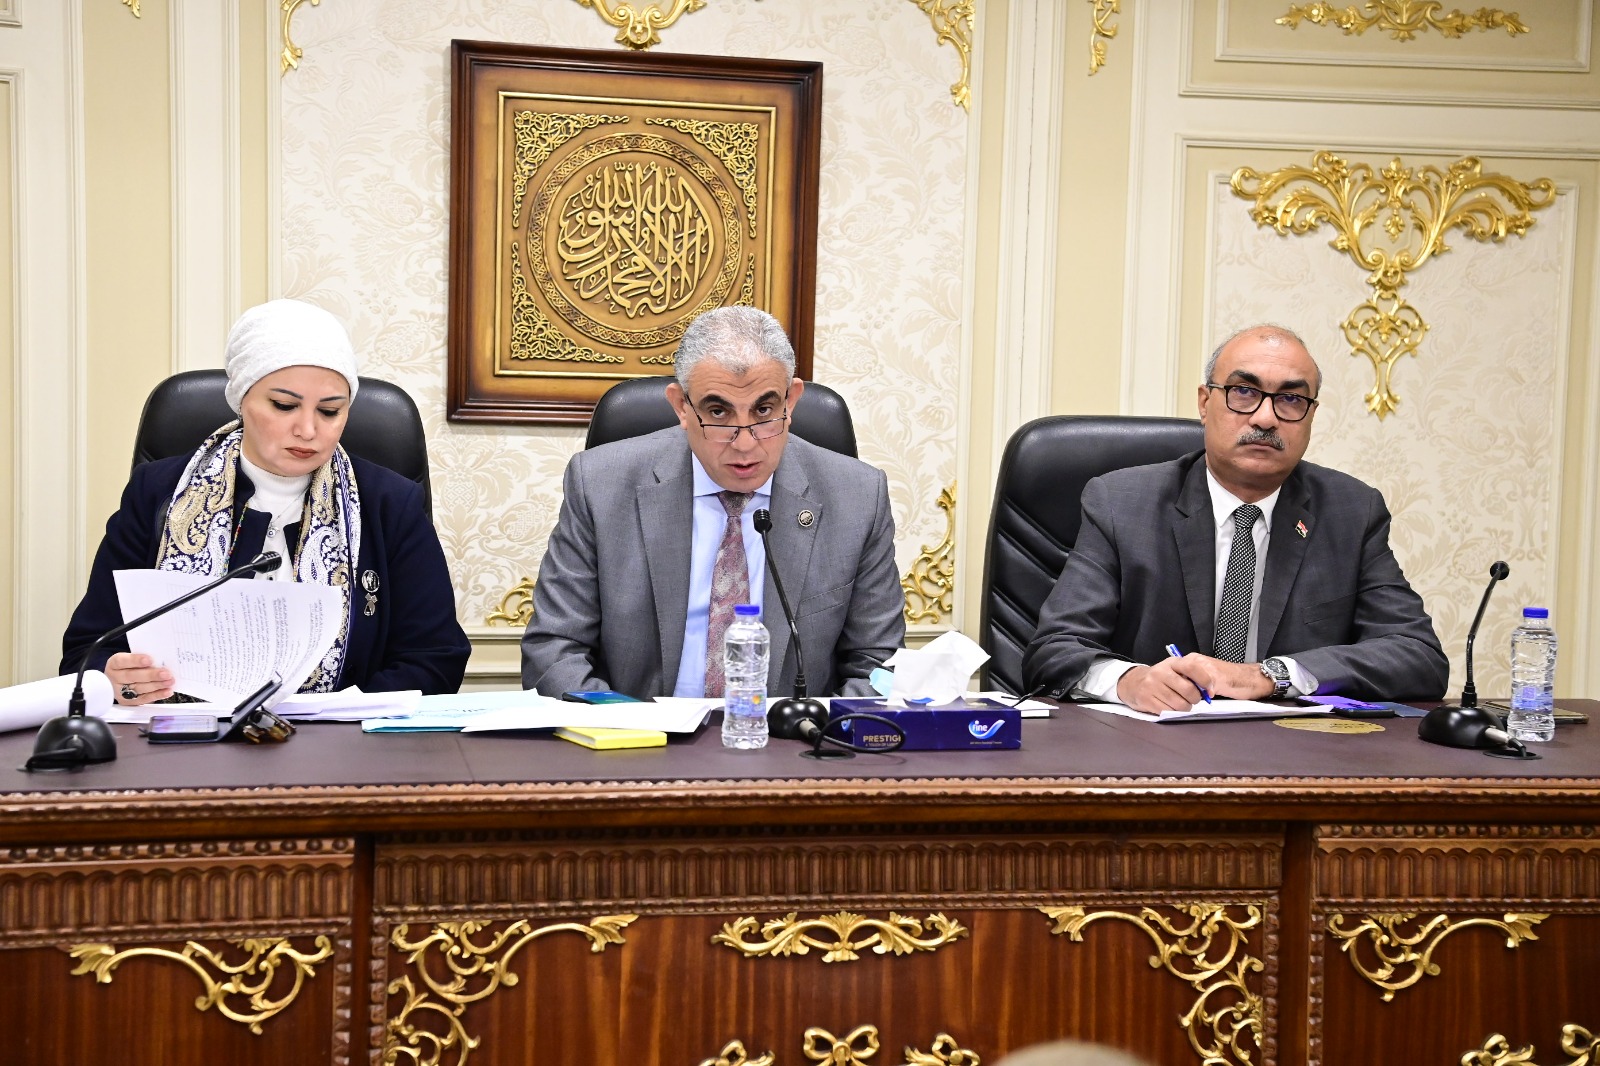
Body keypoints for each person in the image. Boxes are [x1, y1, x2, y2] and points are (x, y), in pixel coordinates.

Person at [61, 299, 470, 702]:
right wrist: (116, 679)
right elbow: (86, 653)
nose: (308, 429)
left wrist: (335, 716)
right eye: (284, 406)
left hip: (338, 740)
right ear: (242, 400)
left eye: (330, 411)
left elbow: (435, 661)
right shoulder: (158, 492)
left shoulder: (390, 503)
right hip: (183, 736)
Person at [1023, 324, 1448, 712]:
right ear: (1205, 403)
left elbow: (1419, 656)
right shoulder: (1121, 504)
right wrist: (1128, 681)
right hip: (1151, 751)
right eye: (1244, 392)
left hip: (1294, 754)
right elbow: (1054, 651)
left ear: (1311, 416)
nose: (1265, 418)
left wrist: (1272, 675)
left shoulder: (1351, 511)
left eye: (1291, 399)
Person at [521, 305, 904, 699]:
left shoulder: (858, 497)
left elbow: (880, 664)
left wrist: (813, 729)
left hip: (792, 734)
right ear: (681, 407)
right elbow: (554, 651)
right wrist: (626, 727)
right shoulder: (600, 484)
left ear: (791, 401)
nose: (745, 444)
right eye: (718, 412)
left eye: (764, 410)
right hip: (636, 730)